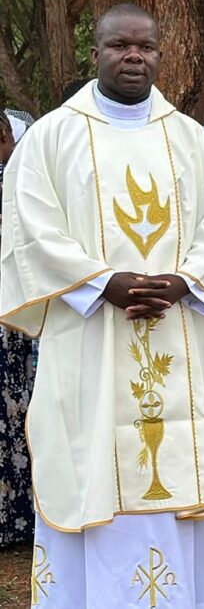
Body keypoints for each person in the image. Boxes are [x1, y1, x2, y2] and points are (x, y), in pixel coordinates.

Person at [0, 4, 204, 607]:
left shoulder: (189, 137)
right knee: (91, 464)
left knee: (178, 469)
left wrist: (183, 280)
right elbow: (30, 229)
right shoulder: (53, 135)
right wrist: (102, 282)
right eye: (120, 45)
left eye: (147, 46)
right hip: (91, 336)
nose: (134, 56)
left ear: (160, 52)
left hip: (177, 330)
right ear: (94, 53)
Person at [0, 109, 36, 549]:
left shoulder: (14, 179)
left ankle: (15, 516)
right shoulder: (11, 180)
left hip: (7, 317)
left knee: (12, 411)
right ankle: (13, 517)